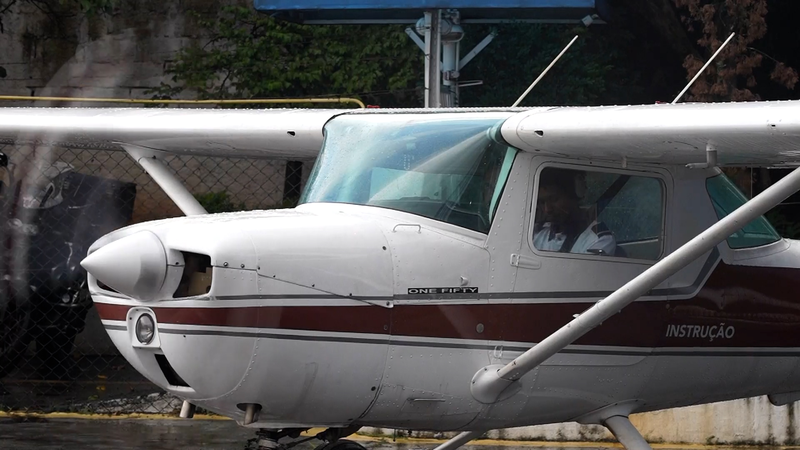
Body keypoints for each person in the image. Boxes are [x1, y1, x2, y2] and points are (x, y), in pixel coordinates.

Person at [533, 168, 617, 255]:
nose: (547, 209)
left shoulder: (599, 239)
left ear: (572, 195)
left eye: (554, 199)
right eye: (542, 202)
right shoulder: (536, 234)